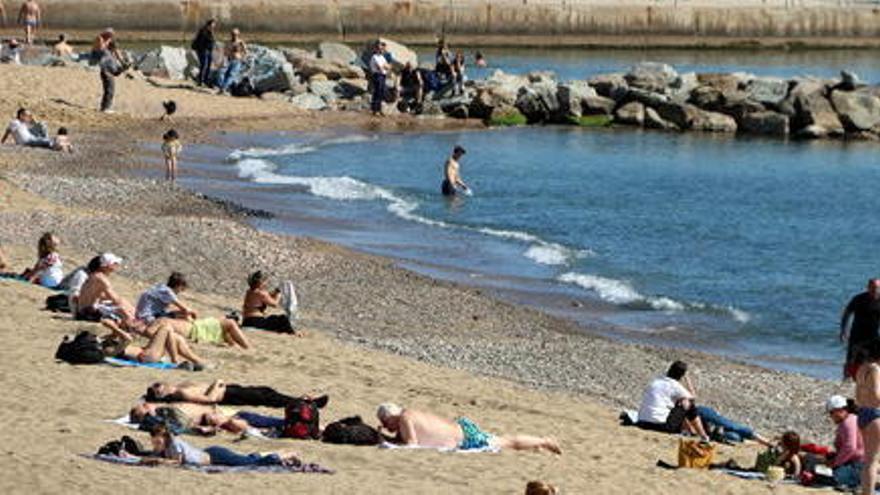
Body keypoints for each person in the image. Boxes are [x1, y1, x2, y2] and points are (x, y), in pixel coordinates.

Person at [376, 403, 561, 453]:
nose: (385, 426)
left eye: (385, 422)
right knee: (507, 441)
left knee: (509, 442)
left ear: (392, 416)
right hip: (462, 429)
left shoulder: (405, 419)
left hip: (466, 438)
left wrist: (384, 441)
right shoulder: (410, 414)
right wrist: (389, 438)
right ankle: (536, 445)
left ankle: (545, 441)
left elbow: (412, 444)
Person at [144, 423, 302, 467]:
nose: (155, 443)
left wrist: (159, 461)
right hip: (211, 454)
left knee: (250, 463)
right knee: (246, 459)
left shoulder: (175, 443)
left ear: (164, 437)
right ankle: (279, 451)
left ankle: (287, 454)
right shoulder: (164, 446)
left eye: (157, 440)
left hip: (215, 456)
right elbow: (154, 454)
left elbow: (177, 462)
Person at [636, 360, 708, 439]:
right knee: (688, 403)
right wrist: (688, 380)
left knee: (680, 401)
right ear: (681, 375)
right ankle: (703, 435)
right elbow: (692, 397)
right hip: (659, 426)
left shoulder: (655, 382)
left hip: (642, 422)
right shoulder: (674, 385)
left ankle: (689, 430)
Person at [76, 252, 140, 335]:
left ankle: (137, 321)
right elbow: (116, 300)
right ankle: (135, 328)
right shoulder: (102, 279)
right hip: (88, 313)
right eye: (114, 264)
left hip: (83, 311)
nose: (117, 266)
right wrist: (129, 310)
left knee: (123, 304)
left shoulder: (93, 276)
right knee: (122, 309)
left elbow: (101, 296)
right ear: (105, 266)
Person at [106, 319, 206, 369]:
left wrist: (117, 327)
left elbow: (113, 334)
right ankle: (176, 361)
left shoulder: (109, 342)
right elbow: (127, 339)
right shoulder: (109, 350)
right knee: (166, 327)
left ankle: (195, 360)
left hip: (147, 352)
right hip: (145, 356)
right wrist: (117, 328)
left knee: (173, 335)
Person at [145, 379, 296, 408]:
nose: (160, 383)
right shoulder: (182, 393)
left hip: (228, 390)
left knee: (266, 392)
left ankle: (299, 400)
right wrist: (217, 383)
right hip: (227, 395)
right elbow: (210, 400)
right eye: (157, 387)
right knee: (266, 397)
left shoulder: (180, 387)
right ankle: (302, 403)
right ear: (161, 395)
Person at [854, 338, 880, 495]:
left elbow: (857, 395)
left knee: (868, 460)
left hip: (863, 413)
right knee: (873, 461)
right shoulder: (876, 369)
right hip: (875, 413)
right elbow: (877, 395)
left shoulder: (862, 368)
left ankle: (866, 492)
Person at [841, 279, 880, 378]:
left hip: (873, 336)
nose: (875, 290)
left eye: (877, 288)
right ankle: (847, 378)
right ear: (868, 287)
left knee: (874, 359)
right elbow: (847, 313)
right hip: (857, 335)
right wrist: (843, 330)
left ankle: (872, 378)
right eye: (872, 287)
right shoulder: (859, 299)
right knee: (851, 359)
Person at [825, 395, 864, 488]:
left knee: (833, 477)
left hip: (857, 464)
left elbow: (850, 447)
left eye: (831, 413)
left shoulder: (848, 422)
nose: (830, 416)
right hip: (854, 462)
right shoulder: (848, 421)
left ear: (840, 410)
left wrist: (835, 464)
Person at [92, 28, 123, 113]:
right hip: (105, 70)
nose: (110, 37)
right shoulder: (101, 42)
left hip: (108, 70)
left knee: (110, 89)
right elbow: (101, 48)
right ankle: (105, 108)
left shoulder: (110, 52)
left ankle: (106, 107)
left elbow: (117, 52)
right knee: (109, 89)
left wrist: (122, 63)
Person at [217, 28, 246, 94]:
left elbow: (245, 51)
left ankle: (223, 88)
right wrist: (222, 59)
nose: (233, 35)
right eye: (232, 34)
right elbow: (224, 51)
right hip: (229, 59)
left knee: (231, 75)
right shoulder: (229, 42)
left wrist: (243, 58)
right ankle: (222, 87)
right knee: (221, 72)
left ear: (238, 34)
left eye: (235, 34)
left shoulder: (240, 42)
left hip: (237, 60)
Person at [191, 19, 216, 87]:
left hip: (209, 50)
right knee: (204, 65)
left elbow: (212, 41)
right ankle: (201, 80)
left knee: (208, 66)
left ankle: (206, 80)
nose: (214, 26)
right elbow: (202, 41)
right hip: (204, 50)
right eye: (213, 24)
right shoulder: (204, 31)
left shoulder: (210, 31)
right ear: (209, 24)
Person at [368, 41, 390, 116]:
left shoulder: (382, 57)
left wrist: (385, 66)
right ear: (377, 49)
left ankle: (378, 109)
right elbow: (380, 67)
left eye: (382, 49)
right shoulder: (374, 57)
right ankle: (375, 110)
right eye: (380, 49)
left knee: (380, 93)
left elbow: (389, 67)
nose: (382, 50)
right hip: (377, 75)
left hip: (382, 76)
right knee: (377, 93)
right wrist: (384, 66)